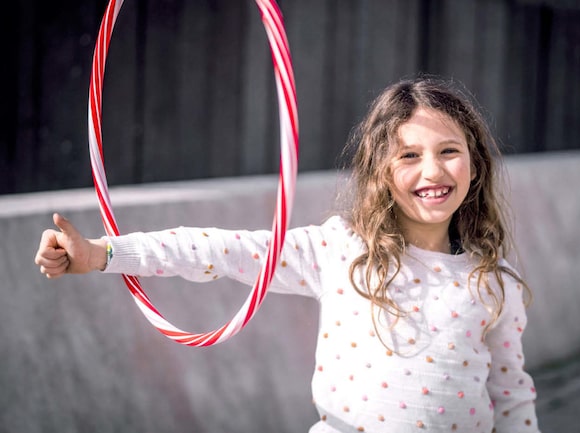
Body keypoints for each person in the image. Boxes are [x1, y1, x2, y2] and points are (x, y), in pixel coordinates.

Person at [35, 76, 540, 433]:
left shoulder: (495, 283)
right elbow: (217, 249)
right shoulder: (340, 249)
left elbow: (511, 394)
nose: (432, 171)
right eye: (409, 155)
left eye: (448, 150)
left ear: (475, 161)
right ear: (381, 172)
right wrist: (103, 252)